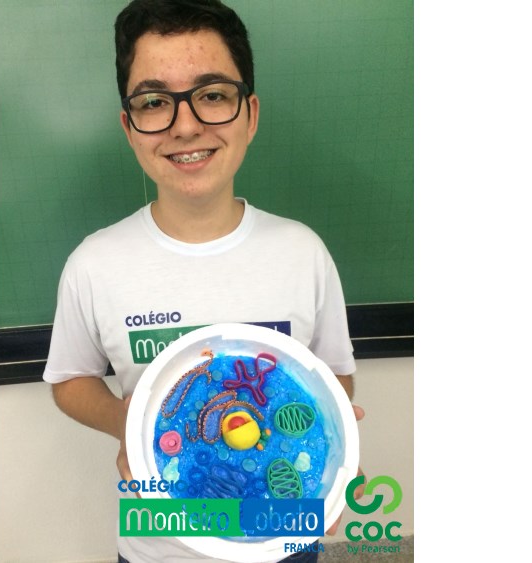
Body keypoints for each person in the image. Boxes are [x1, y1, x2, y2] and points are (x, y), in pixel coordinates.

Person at [43, 1, 363, 561]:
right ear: (129, 127)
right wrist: (126, 420)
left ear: (250, 114)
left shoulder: (301, 253)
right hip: (156, 544)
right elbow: (69, 379)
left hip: (279, 532)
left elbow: (335, 373)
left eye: (212, 95)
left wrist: (327, 418)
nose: (185, 125)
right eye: (154, 102)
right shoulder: (95, 264)